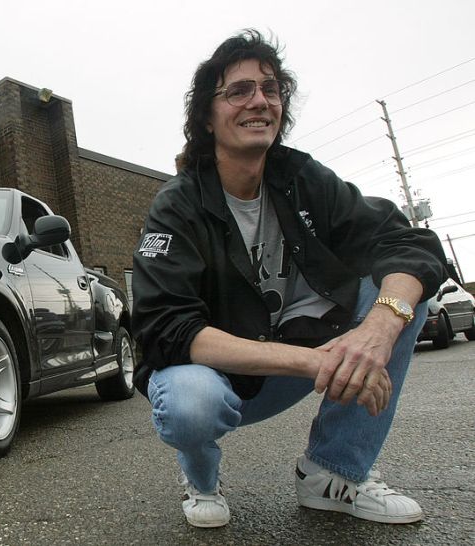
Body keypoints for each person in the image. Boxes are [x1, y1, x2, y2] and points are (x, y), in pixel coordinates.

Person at [131, 29, 447, 529]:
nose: (259, 100)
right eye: (239, 90)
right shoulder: (179, 205)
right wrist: (314, 361)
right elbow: (167, 328)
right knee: (190, 402)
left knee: (402, 291)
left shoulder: (301, 178)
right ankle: (201, 476)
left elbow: (407, 243)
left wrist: (377, 330)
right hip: (227, 377)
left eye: (270, 89)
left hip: (303, 360)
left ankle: (333, 472)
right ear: (207, 118)